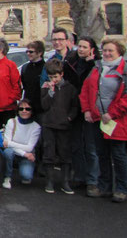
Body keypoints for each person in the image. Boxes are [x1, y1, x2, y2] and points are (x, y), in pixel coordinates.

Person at [79, 39, 127, 203]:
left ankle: (121, 189)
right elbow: (86, 90)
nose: (106, 53)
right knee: (102, 154)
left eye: (110, 51)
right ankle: (105, 187)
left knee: (118, 155)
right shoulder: (97, 68)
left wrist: (112, 114)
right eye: (104, 50)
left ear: (119, 52)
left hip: (117, 121)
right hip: (98, 119)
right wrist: (86, 109)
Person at [40, 59, 79, 194]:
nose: (53, 80)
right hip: (49, 124)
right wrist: (49, 92)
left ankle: (65, 182)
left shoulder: (70, 88)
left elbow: (75, 106)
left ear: (61, 74)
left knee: (65, 154)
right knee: (49, 153)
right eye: (51, 77)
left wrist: (70, 117)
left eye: (55, 77)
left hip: (64, 125)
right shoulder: (46, 87)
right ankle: (49, 181)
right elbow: (44, 105)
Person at [67, 36, 100, 190]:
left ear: (92, 50)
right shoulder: (70, 63)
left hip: (90, 110)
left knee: (91, 147)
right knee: (76, 145)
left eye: (85, 47)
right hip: (75, 109)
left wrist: (91, 64)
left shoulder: (96, 66)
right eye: (79, 46)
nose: (81, 49)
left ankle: (92, 180)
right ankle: (79, 175)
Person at [2, 99, 41, 189]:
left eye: (27, 109)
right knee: (8, 152)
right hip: (21, 153)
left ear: (32, 111)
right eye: (21, 109)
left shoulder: (36, 127)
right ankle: (7, 176)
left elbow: (29, 147)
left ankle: (24, 168)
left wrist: (11, 144)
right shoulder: (11, 122)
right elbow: (6, 144)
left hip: (26, 155)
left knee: (26, 177)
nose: (24, 111)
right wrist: (24, 153)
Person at [20, 41, 46, 122]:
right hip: (29, 106)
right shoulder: (25, 68)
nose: (28, 54)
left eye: (31, 52)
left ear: (39, 53)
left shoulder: (45, 67)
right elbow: (25, 86)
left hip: (41, 107)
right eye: (27, 51)